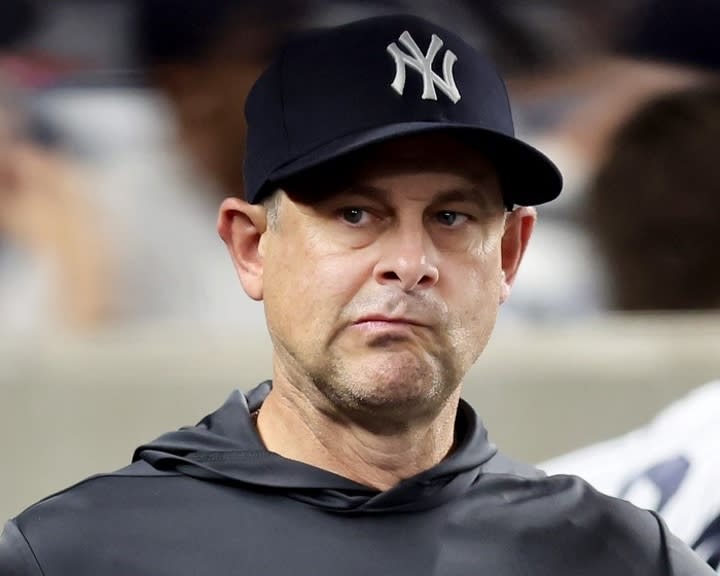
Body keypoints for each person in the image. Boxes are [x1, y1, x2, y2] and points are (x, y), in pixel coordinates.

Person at [0, 14, 712, 575]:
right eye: (354, 214)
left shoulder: (617, 555)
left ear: (510, 253)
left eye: (451, 217)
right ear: (252, 248)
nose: (409, 262)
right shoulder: (79, 554)